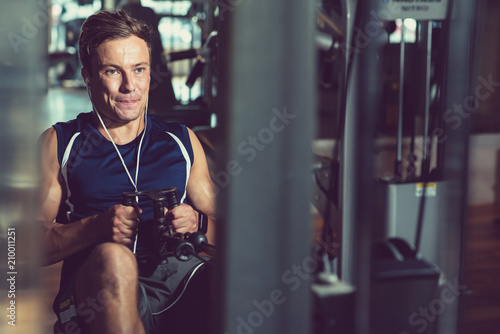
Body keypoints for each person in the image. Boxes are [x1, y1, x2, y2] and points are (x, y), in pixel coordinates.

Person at [38, 10, 216, 334]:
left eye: (139, 70)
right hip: (95, 295)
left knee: (234, 273)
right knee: (115, 260)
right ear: (88, 75)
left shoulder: (181, 141)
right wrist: (95, 228)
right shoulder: (60, 143)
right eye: (112, 71)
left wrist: (199, 223)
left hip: (174, 284)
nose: (129, 86)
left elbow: (236, 235)